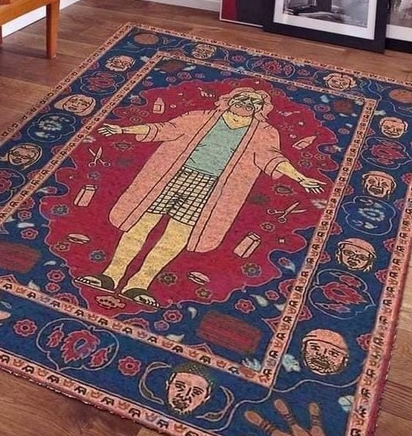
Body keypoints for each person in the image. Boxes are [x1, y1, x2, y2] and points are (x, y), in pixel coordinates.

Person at [76, 87, 325, 308]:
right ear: (229, 100)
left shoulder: (264, 132)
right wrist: (123, 129)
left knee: (177, 235)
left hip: (211, 189)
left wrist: (300, 178)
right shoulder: (199, 117)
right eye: (242, 98)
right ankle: (110, 274)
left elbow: (273, 158)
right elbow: (164, 129)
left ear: (261, 109)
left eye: (253, 102)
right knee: (141, 223)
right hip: (171, 176)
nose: (246, 104)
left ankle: (140, 284)